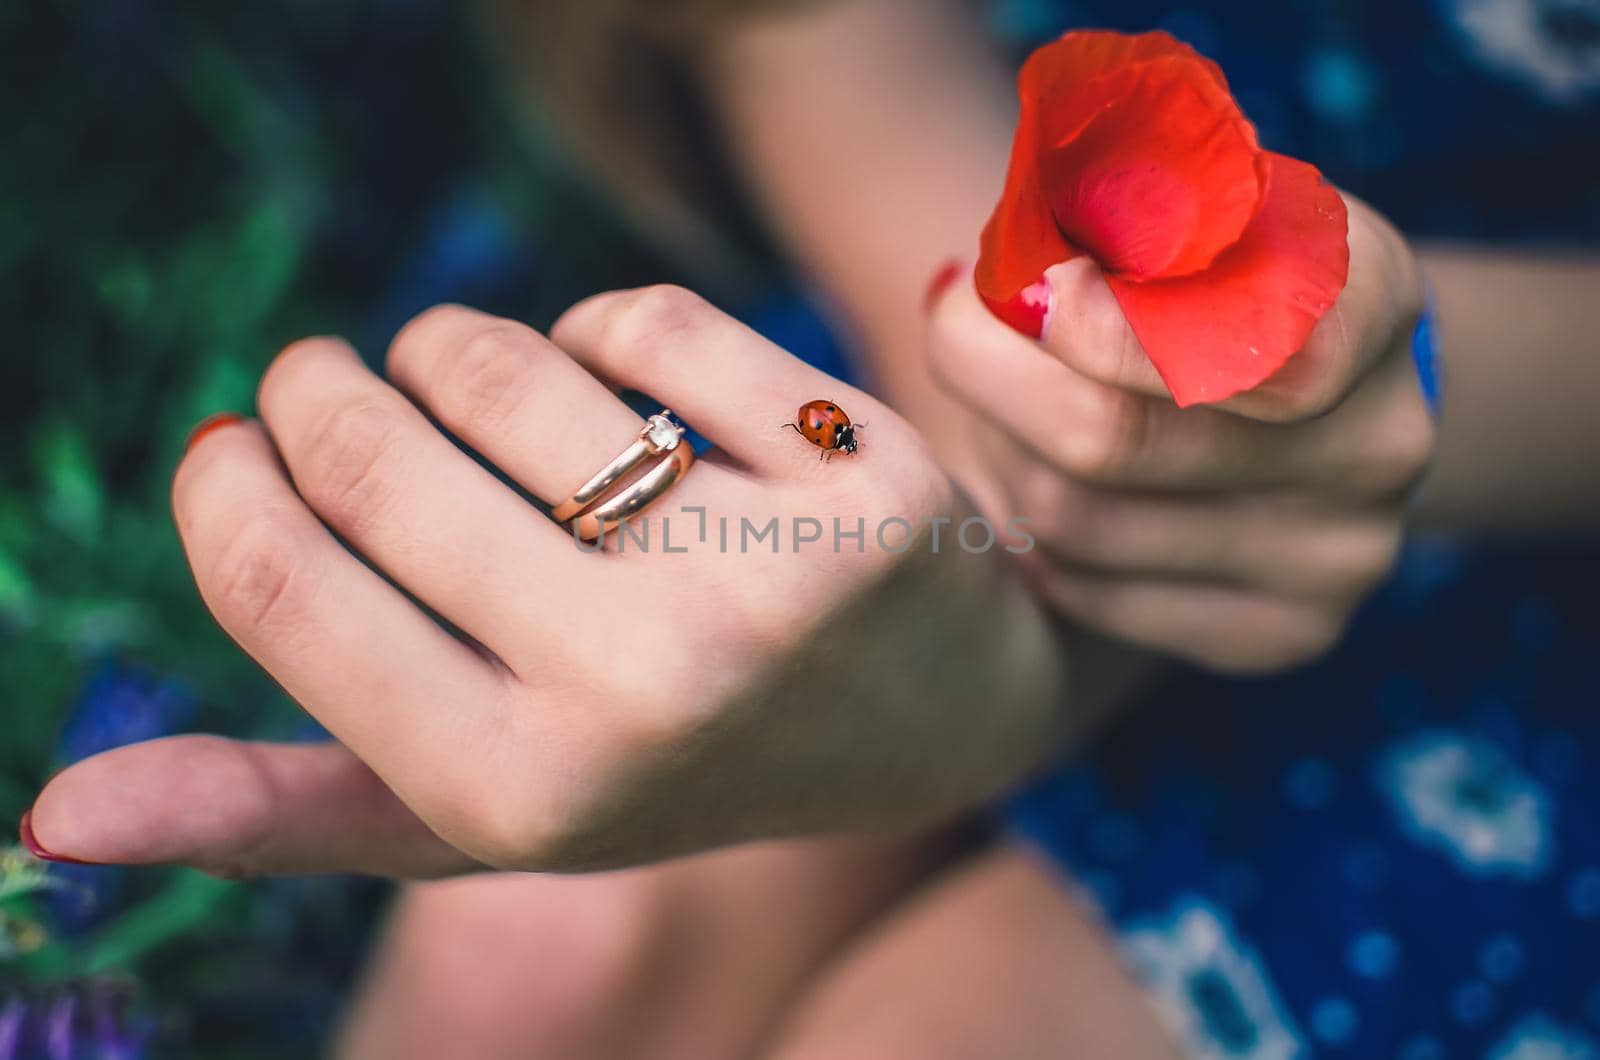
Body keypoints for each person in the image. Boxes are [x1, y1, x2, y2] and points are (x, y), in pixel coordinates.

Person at [22, 1, 1598, 1056]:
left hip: (1540, 501)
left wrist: (1390, 393)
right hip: (936, 261)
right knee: (532, 976)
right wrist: (985, 529)